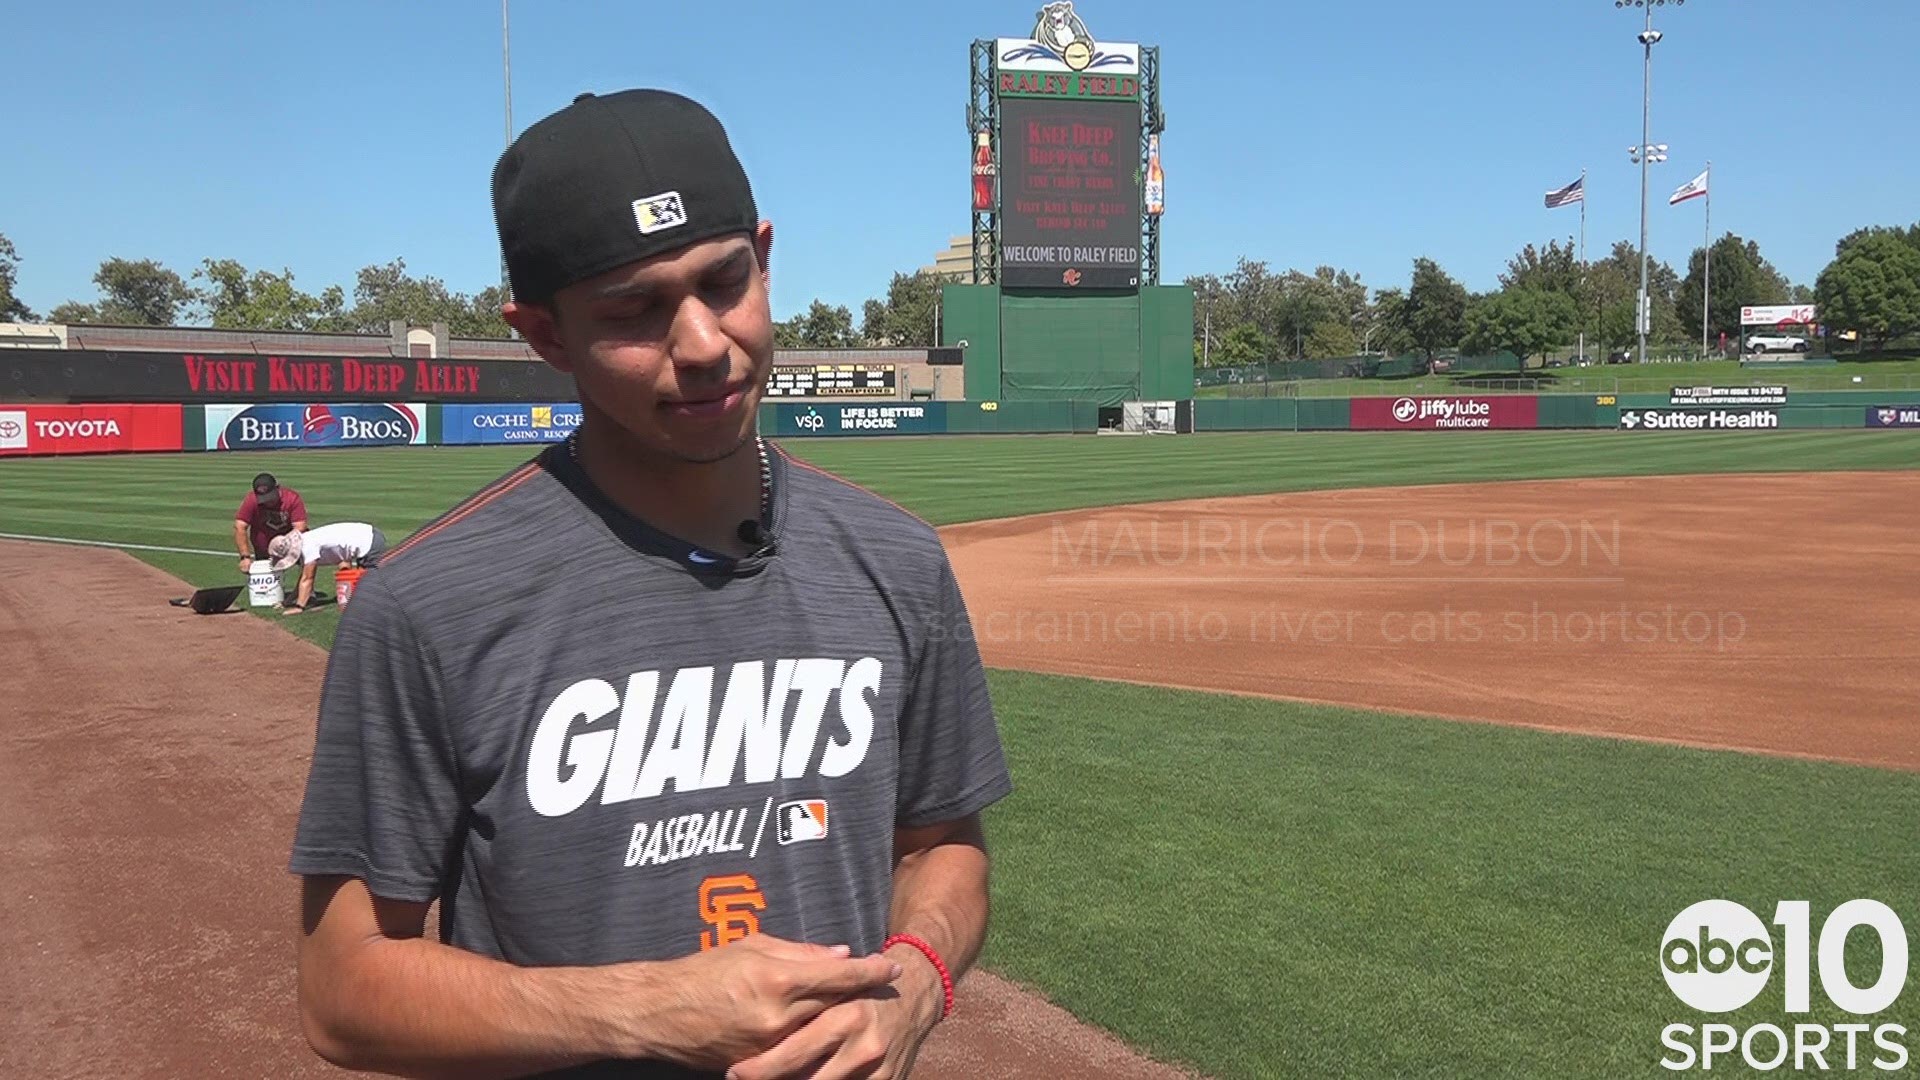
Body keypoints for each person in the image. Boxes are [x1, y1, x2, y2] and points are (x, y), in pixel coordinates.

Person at [288, 88, 1012, 1080]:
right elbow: (342, 991)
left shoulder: (896, 560)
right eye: (634, 310)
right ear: (544, 335)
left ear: (765, 255)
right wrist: (645, 1009)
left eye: (725, 281)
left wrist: (920, 978)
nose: (705, 344)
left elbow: (944, 846)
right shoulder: (428, 607)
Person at [267, 522, 387, 615]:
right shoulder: (305, 542)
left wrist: (299, 607)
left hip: (369, 542)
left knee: (372, 586)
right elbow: (303, 579)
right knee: (364, 590)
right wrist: (287, 602)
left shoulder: (307, 547)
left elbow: (308, 579)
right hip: (367, 536)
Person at [233, 472, 307, 574]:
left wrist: (283, 543)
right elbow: (240, 526)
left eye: (270, 497)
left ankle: (302, 589)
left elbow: (300, 527)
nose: (268, 502)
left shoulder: (292, 498)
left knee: (308, 560)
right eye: (263, 499)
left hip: (290, 545)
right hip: (263, 547)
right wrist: (245, 557)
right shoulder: (251, 500)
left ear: (277, 488)